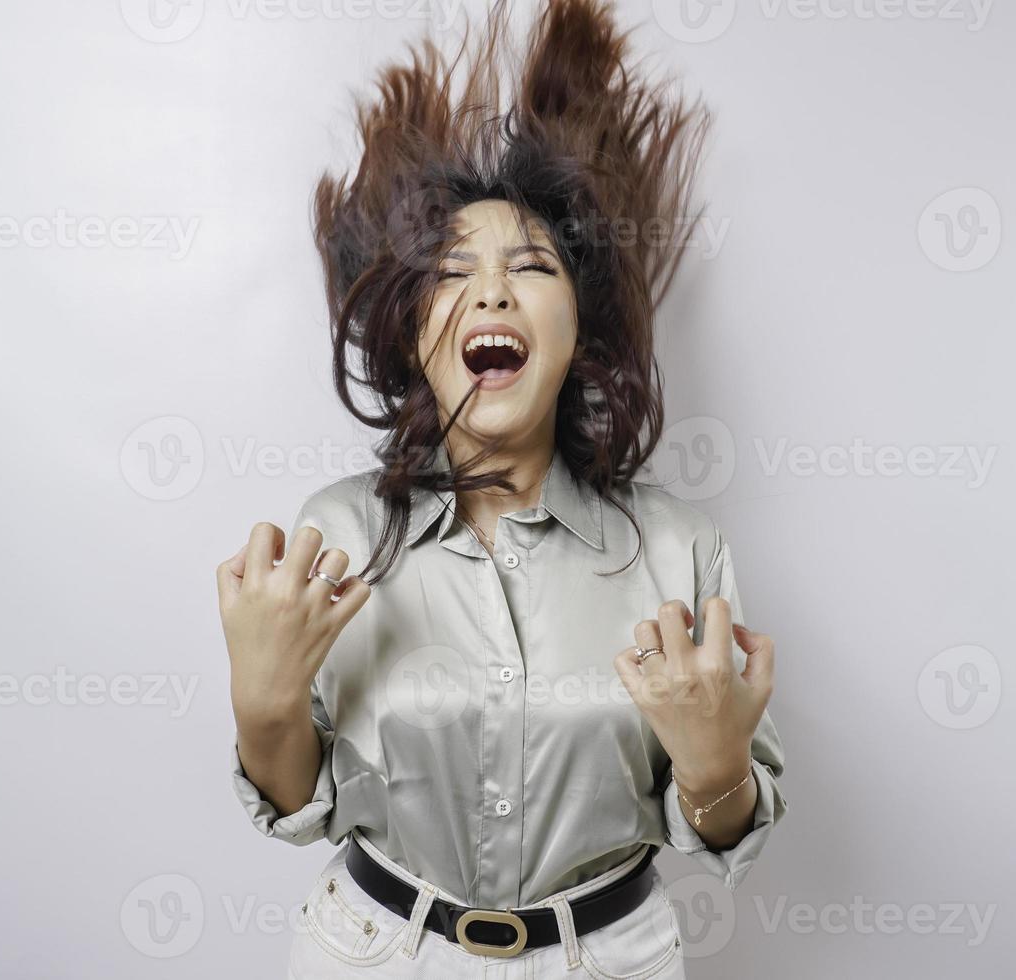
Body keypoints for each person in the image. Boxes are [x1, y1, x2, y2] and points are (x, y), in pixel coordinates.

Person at [215, 1, 788, 975]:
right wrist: (263, 706)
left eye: (530, 268)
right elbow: (296, 808)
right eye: (452, 273)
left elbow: (729, 824)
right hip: (372, 950)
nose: (491, 294)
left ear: (580, 328)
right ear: (411, 331)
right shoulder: (338, 532)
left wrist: (717, 765)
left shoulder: (676, 548)